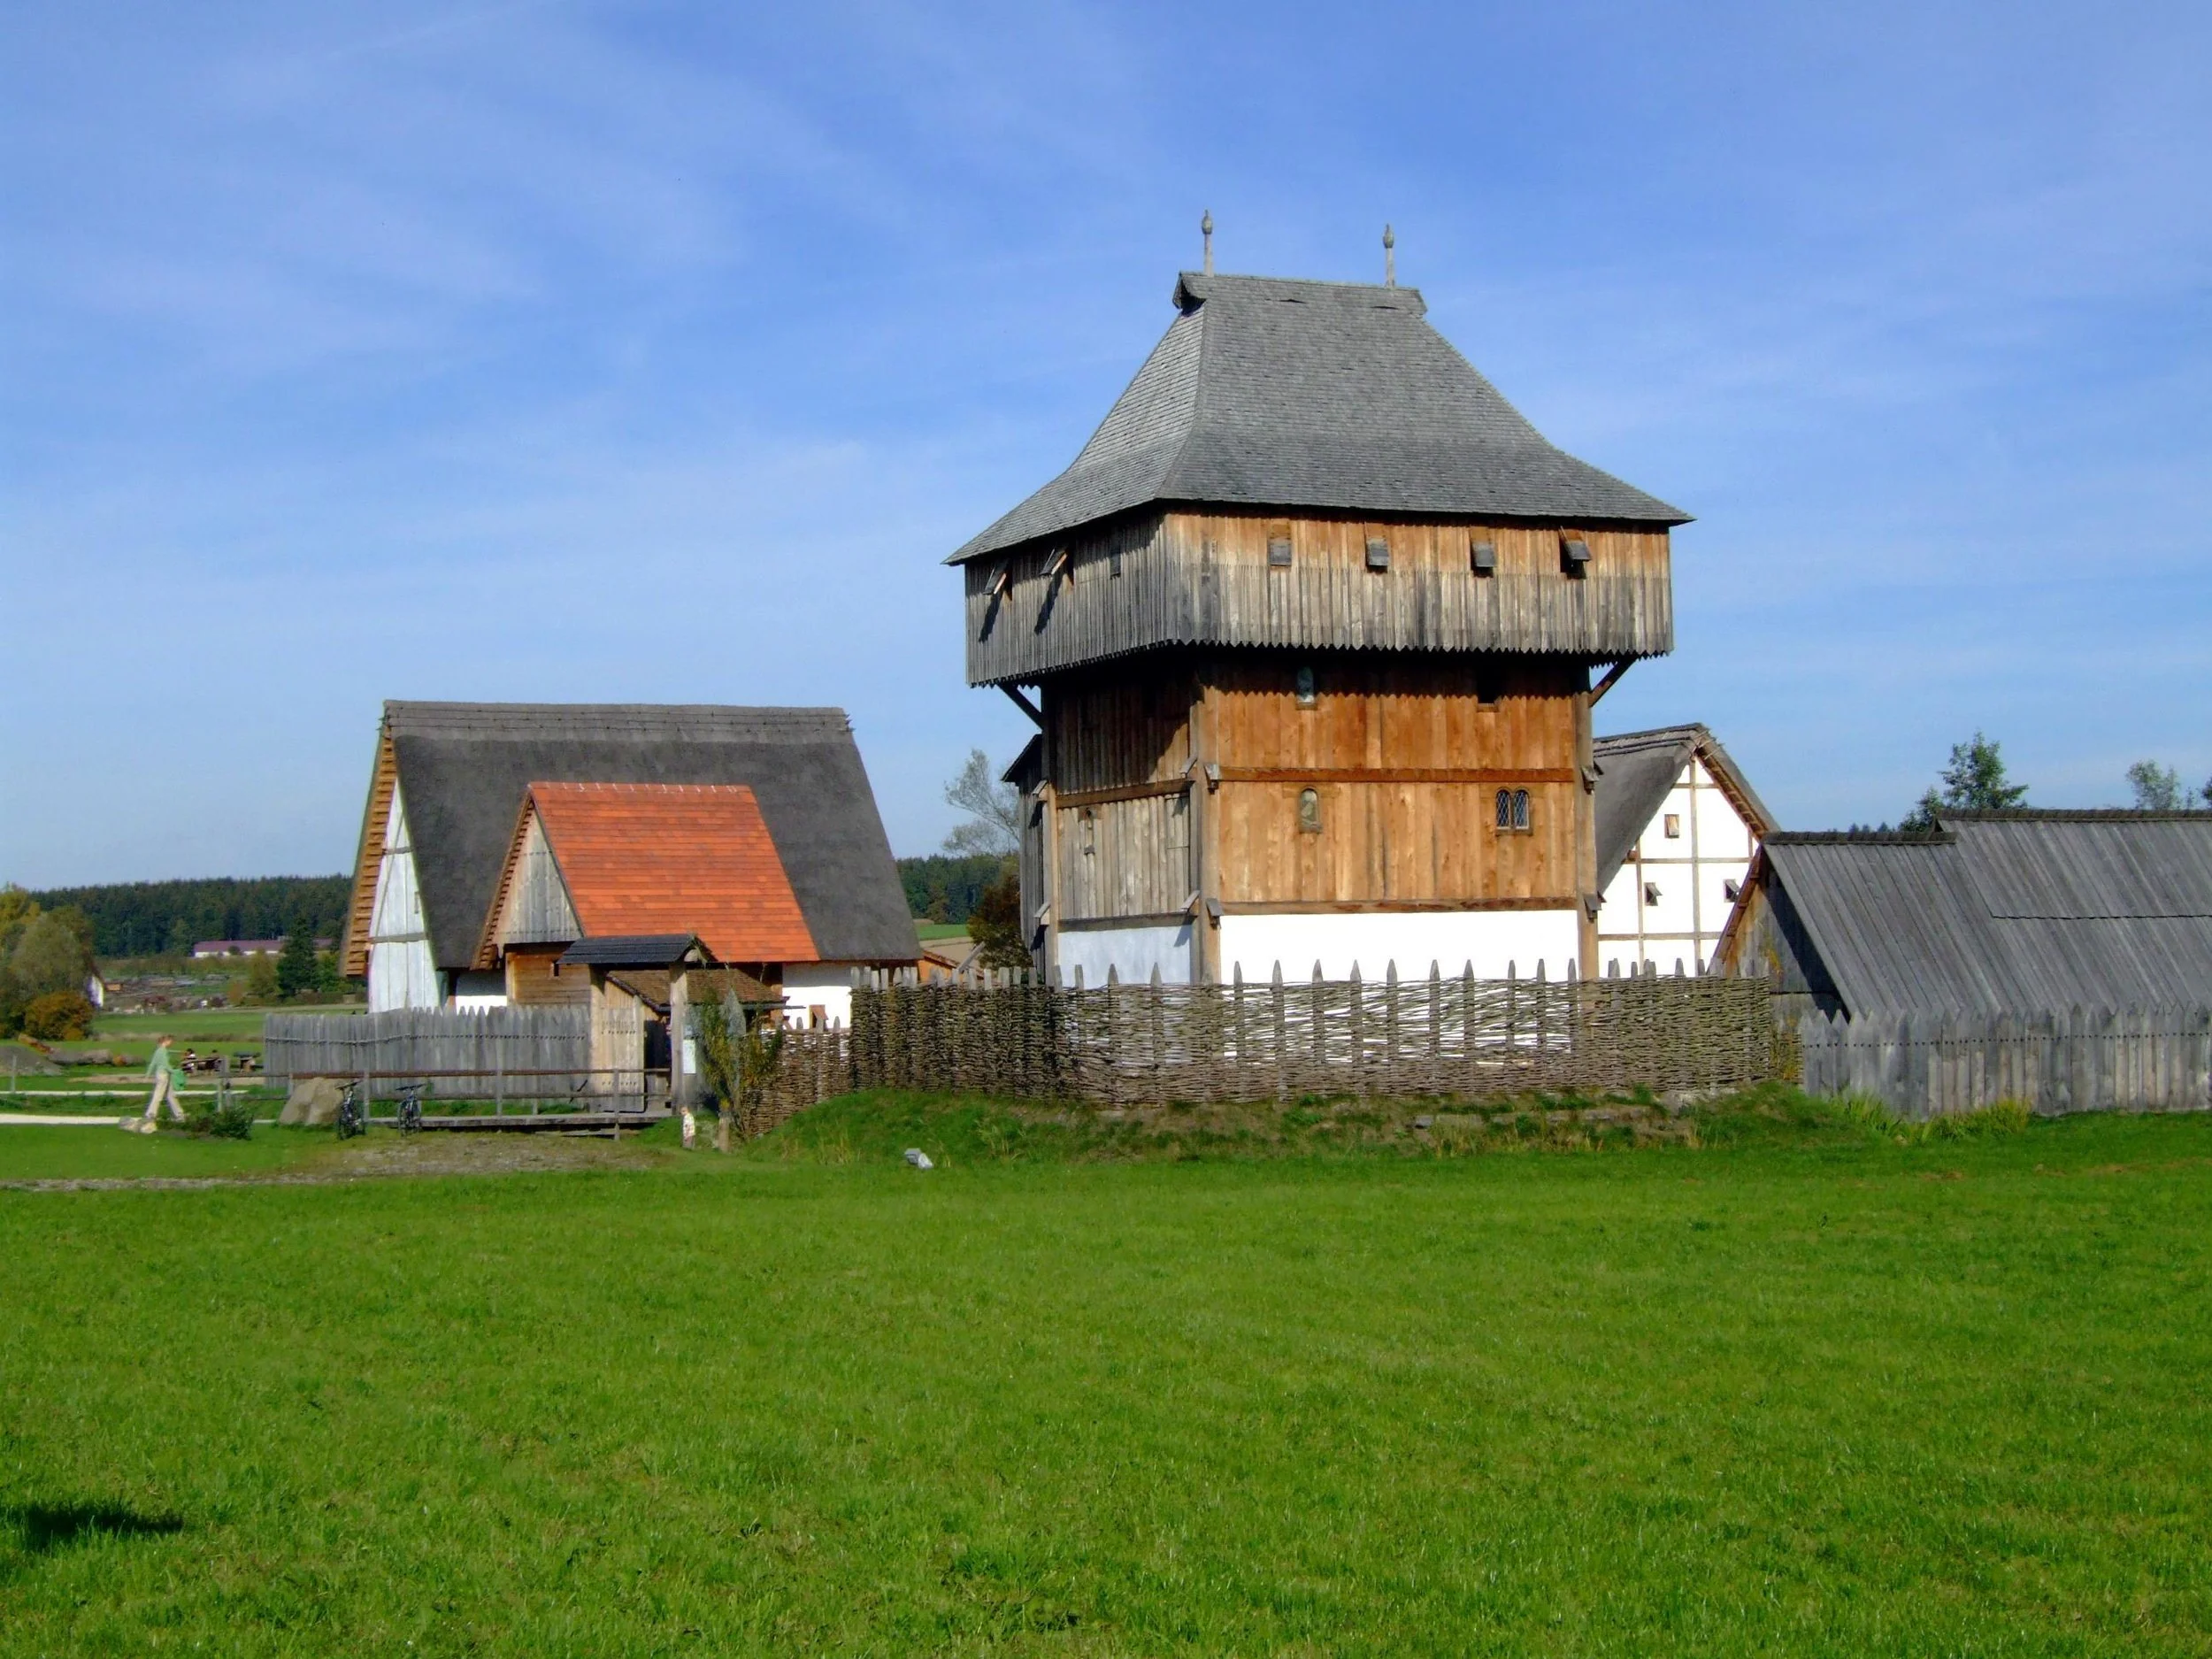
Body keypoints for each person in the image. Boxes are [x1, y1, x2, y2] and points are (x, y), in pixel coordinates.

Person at [134, 1035, 187, 1133]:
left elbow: (153, 1063)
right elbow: (166, 1065)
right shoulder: (163, 1052)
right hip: (164, 1075)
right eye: (170, 1041)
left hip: (160, 1075)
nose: (171, 1043)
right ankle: (151, 1114)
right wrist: (174, 1071)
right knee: (159, 1095)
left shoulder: (159, 1051)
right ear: (166, 1041)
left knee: (171, 1096)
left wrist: (147, 1075)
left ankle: (180, 1114)